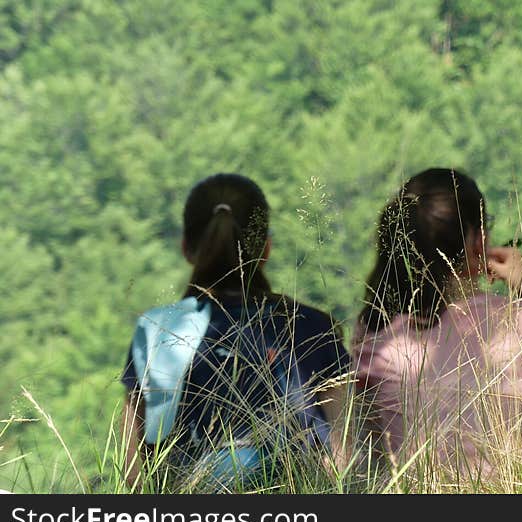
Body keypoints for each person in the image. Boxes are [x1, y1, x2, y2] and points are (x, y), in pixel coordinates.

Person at [352, 168, 522, 478]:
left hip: (411, 486)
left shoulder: (376, 333)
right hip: (511, 484)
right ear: (478, 242)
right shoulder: (517, 318)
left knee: (357, 418)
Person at [120, 173, 350, 491]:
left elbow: (132, 469)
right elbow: (345, 453)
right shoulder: (312, 326)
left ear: (186, 247)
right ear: (266, 248)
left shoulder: (157, 330)